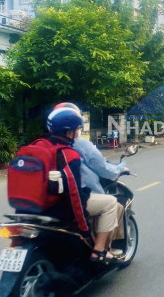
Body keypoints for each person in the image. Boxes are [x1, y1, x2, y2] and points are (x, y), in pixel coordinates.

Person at [48, 106, 122, 265]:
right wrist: (84, 228)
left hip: (46, 202)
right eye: (76, 128)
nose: (77, 132)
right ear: (69, 132)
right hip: (67, 203)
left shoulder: (43, 145)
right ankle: (99, 250)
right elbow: (79, 188)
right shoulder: (73, 150)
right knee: (111, 203)